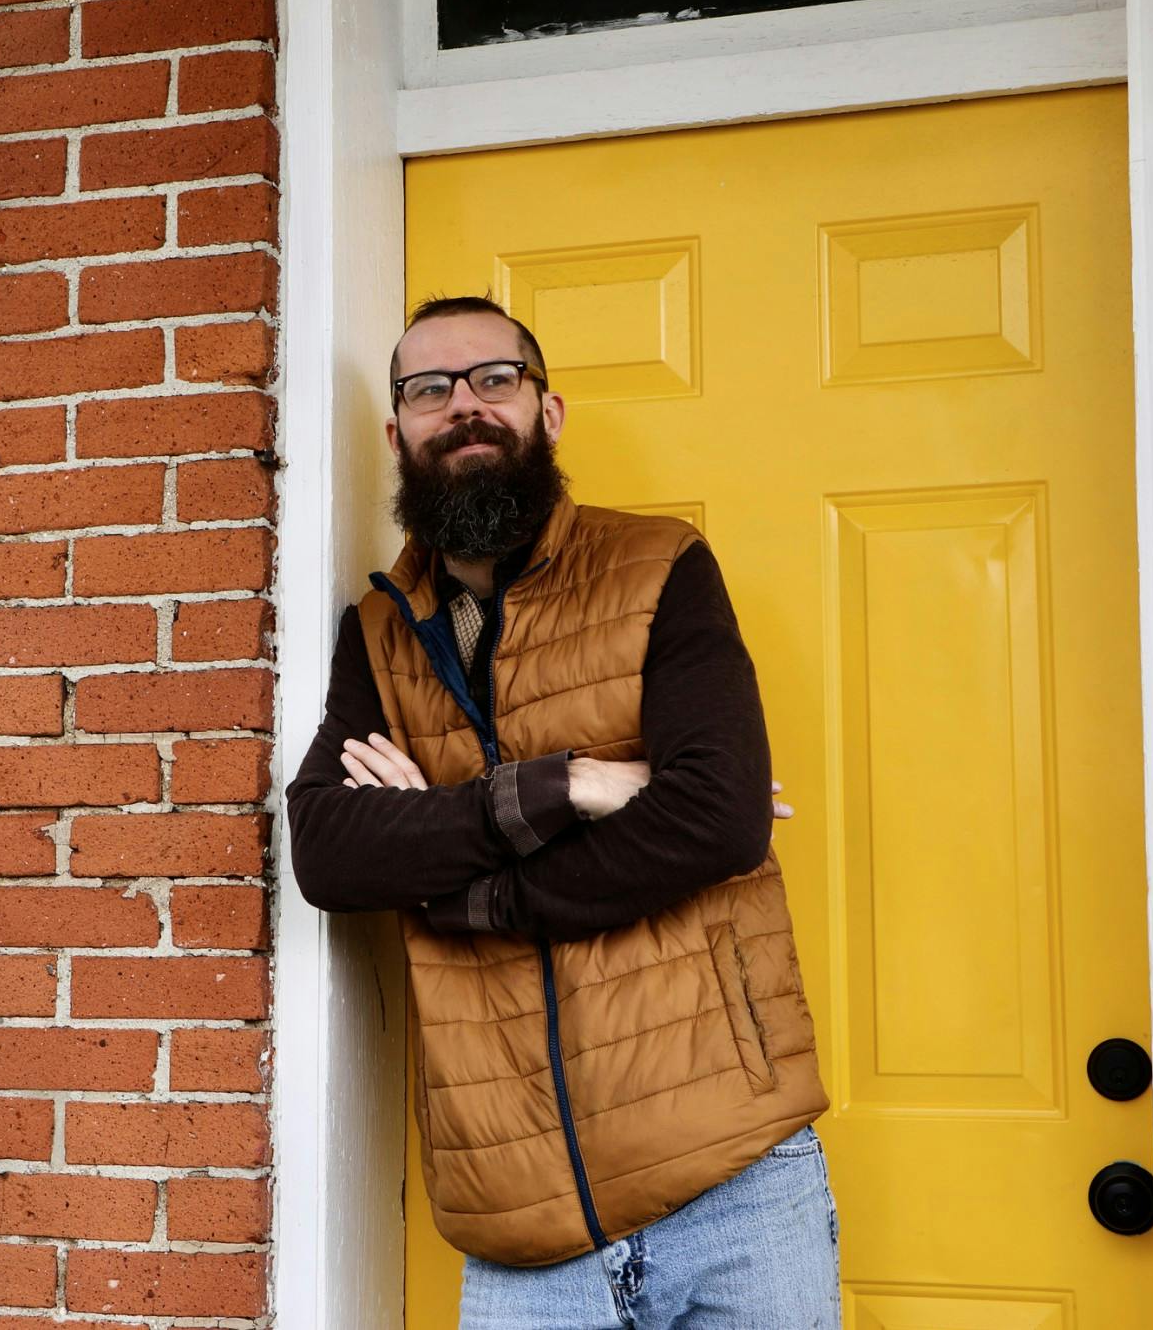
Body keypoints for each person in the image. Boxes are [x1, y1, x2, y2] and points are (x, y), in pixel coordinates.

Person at [286, 298, 840, 1328]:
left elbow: (717, 820)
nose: (463, 407)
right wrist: (566, 784)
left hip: (732, 1179)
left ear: (548, 412)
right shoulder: (377, 634)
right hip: (517, 1226)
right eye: (428, 389)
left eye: (494, 379)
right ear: (396, 431)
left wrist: (464, 897)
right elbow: (327, 849)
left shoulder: (658, 567)